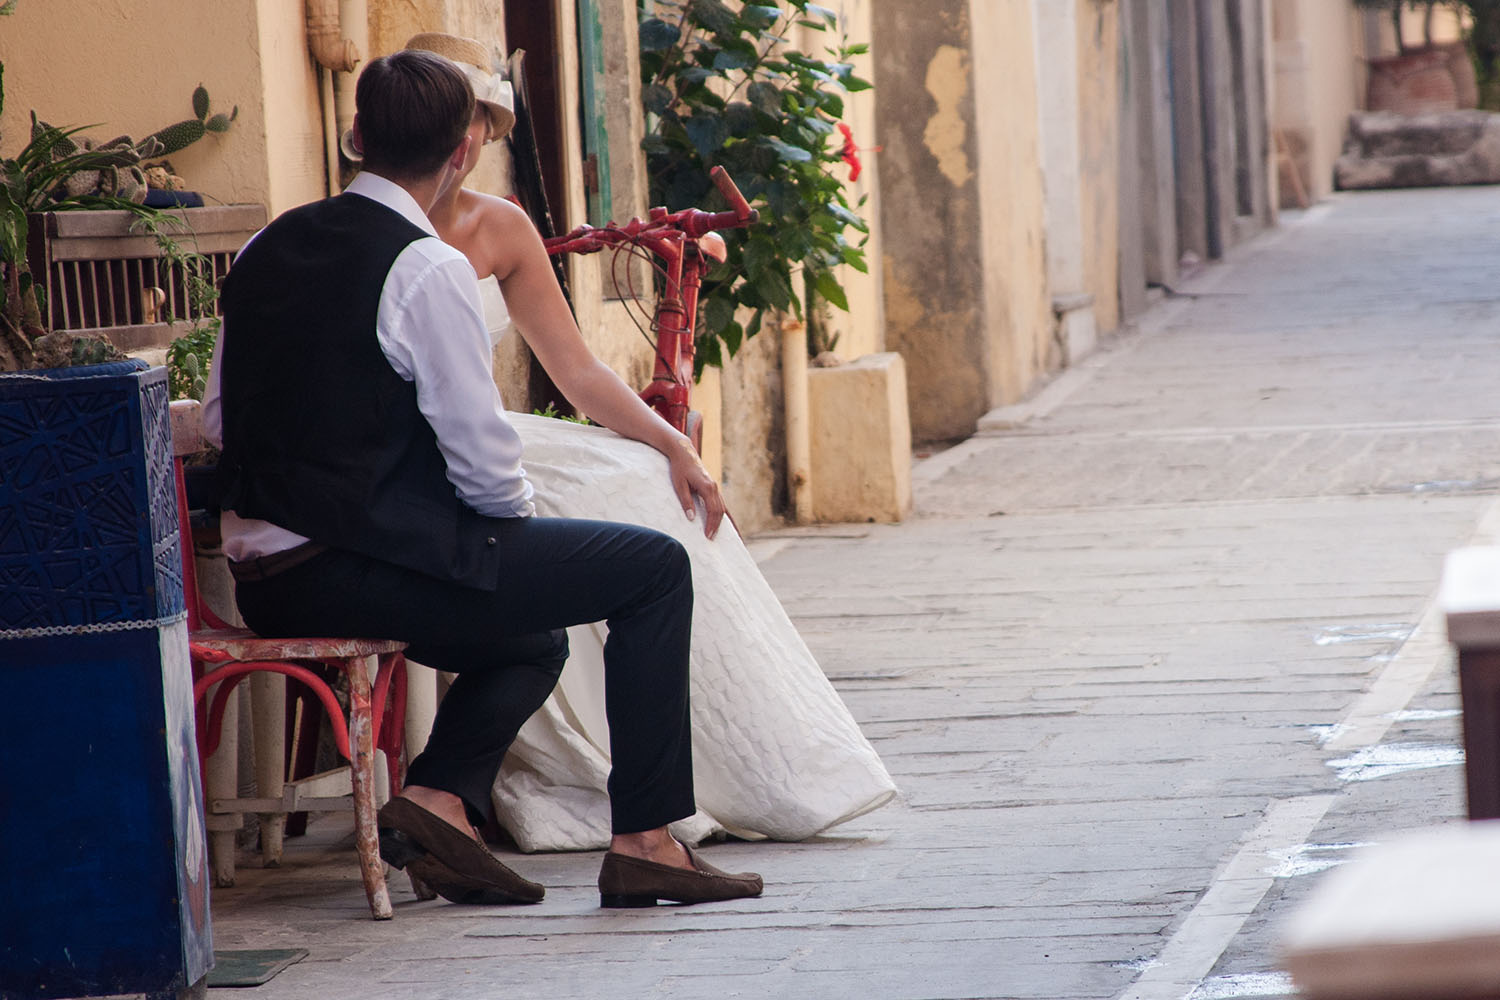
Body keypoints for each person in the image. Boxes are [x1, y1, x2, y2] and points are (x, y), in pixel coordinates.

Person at [201, 48, 762, 909]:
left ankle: (433, 801)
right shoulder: (423, 267)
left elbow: (217, 421)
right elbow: (486, 465)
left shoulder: (269, 244)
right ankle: (646, 840)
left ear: (354, 135)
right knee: (654, 571)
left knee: (530, 645)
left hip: (265, 583)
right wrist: (510, 532)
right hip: (358, 571)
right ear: (462, 152)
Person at [394, 33, 896, 852]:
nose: (472, 142)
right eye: (465, 122)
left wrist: (677, 447)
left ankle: (732, 761)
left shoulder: (502, 226)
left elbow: (580, 371)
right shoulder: (372, 233)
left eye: (484, 120)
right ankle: (594, 780)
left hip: (488, 435)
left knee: (646, 481)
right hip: (421, 456)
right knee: (594, 502)